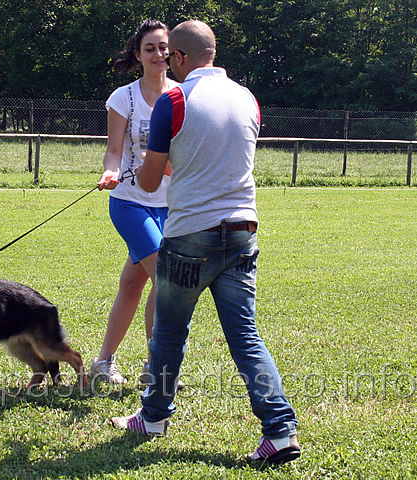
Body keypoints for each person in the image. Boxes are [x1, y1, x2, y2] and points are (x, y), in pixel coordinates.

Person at [111, 20, 300, 465]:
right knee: (246, 336)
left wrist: (135, 169)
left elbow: (154, 177)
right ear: (212, 53)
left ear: (178, 58)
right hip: (242, 230)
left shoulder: (173, 99)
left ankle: (153, 417)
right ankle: (280, 430)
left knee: (169, 333)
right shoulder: (247, 99)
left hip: (191, 233)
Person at [89, 19, 179, 385]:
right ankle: (156, 368)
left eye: (164, 48)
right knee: (165, 277)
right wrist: (109, 173)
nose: (159, 54)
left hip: (170, 206)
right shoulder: (123, 98)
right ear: (138, 55)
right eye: (150, 48)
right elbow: (113, 151)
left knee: (133, 284)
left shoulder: (181, 94)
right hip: (130, 203)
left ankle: (102, 362)